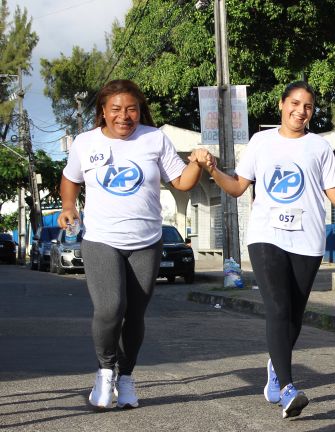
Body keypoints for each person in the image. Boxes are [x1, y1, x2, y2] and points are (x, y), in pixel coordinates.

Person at [195, 81, 335, 419]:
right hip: (266, 235)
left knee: (294, 316)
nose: (301, 111)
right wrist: (212, 169)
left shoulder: (318, 148)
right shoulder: (261, 142)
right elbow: (238, 187)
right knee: (278, 308)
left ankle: (276, 366)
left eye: (308, 107)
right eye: (295, 103)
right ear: (281, 103)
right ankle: (287, 388)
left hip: (307, 239)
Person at [57, 79, 207, 410]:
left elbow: (181, 182)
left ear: (140, 111)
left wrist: (196, 163)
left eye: (131, 109)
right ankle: (105, 369)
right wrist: (69, 206)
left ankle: (125, 376)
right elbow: (70, 179)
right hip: (101, 239)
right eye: (116, 109)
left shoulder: (154, 139)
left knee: (135, 313)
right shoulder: (85, 143)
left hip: (147, 241)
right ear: (103, 112)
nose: (124, 116)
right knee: (111, 308)